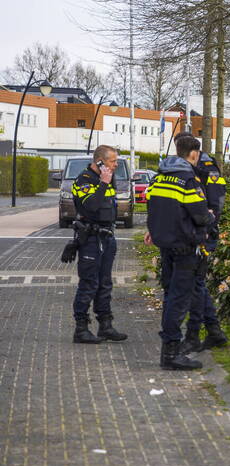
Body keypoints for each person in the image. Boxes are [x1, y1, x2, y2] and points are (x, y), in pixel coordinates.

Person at [145, 134, 211, 370]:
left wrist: (154, 230)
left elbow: (151, 205)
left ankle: (168, 349)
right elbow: (201, 215)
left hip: (165, 246)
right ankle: (171, 353)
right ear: (193, 154)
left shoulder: (159, 178)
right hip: (185, 247)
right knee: (179, 299)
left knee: (169, 295)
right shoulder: (188, 180)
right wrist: (209, 217)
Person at [70, 144, 128, 344]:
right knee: (89, 283)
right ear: (100, 161)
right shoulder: (83, 181)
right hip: (91, 239)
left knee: (105, 283)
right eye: (113, 161)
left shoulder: (109, 179)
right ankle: (81, 328)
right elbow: (91, 207)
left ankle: (105, 325)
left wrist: (107, 181)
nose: (116, 165)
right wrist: (103, 183)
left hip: (107, 237)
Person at [182, 151, 228, 353]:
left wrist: (208, 228)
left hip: (204, 234)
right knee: (197, 285)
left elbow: (216, 202)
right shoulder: (191, 168)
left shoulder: (207, 167)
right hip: (196, 233)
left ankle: (201, 333)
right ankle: (213, 330)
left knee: (196, 285)